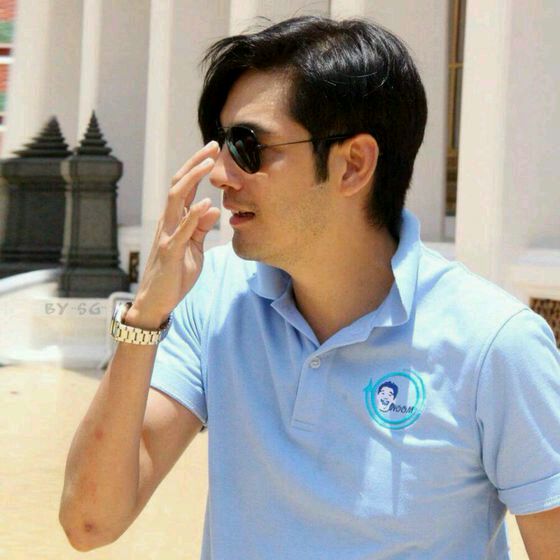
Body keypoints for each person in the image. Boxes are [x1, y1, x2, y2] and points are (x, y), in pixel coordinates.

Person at [59, 15, 560, 559]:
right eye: (220, 144)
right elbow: (90, 522)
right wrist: (145, 317)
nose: (220, 175)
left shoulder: (495, 344)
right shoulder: (216, 297)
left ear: (353, 164)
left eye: (248, 145)